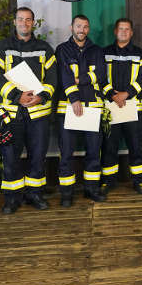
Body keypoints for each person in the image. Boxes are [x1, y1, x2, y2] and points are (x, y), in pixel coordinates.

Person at [0, 7, 57, 214]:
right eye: (21, 19)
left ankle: (35, 194)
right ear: (14, 21)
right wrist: (17, 96)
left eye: (28, 20)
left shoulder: (45, 48)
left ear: (33, 23)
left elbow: (53, 78)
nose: (24, 23)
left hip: (38, 114)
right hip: (10, 114)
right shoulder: (1, 48)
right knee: (10, 157)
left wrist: (41, 96)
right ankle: (12, 198)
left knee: (38, 156)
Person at [55, 14, 112, 207]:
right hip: (69, 108)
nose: (82, 30)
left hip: (93, 108)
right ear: (72, 27)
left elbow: (102, 74)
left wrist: (80, 79)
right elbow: (64, 76)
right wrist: (75, 97)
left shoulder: (97, 50)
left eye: (85, 27)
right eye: (78, 26)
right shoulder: (62, 50)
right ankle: (66, 193)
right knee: (67, 152)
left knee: (93, 152)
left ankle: (92, 189)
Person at [101, 18, 142, 195]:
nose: (123, 32)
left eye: (127, 29)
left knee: (136, 146)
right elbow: (99, 77)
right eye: (120, 29)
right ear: (115, 31)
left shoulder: (141, 54)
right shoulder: (104, 52)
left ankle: (139, 181)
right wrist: (112, 95)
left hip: (133, 107)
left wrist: (126, 94)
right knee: (109, 146)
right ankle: (108, 181)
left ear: (131, 33)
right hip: (110, 106)